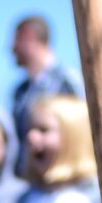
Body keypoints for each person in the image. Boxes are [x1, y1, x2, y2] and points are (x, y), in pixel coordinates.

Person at [10, 15, 82, 159]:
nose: (12, 48)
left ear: (28, 36)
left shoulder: (67, 81)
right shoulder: (21, 91)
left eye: (15, 40)